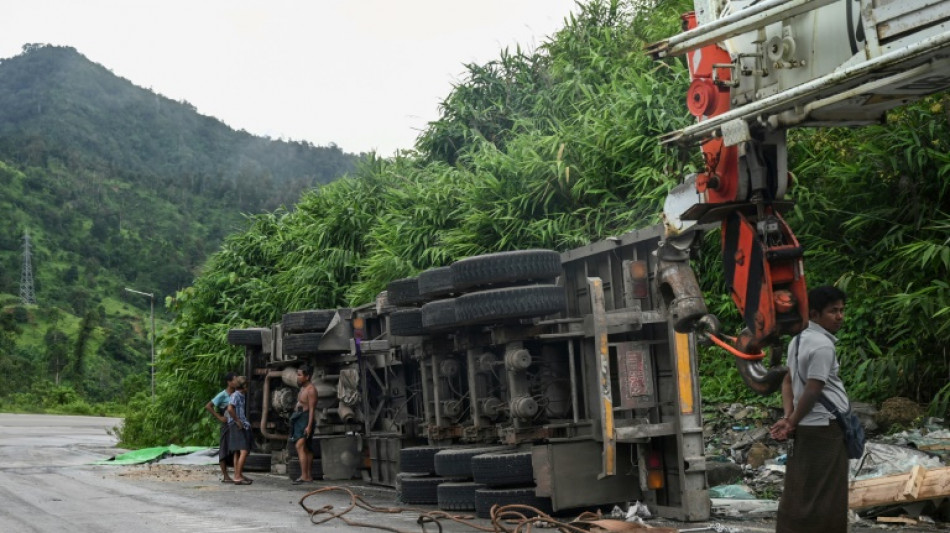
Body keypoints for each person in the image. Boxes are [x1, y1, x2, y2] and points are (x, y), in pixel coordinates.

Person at [770, 285, 849, 533]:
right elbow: (813, 389)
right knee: (828, 494)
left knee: (800, 489)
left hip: (806, 426)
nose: (839, 317)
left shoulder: (798, 340)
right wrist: (791, 421)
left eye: (841, 310)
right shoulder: (823, 346)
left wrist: (788, 417)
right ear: (814, 314)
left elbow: (787, 381)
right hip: (825, 428)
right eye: (833, 311)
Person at [204, 372, 238, 482]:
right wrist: (219, 417)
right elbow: (209, 406)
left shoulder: (237, 394)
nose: (236, 382)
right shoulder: (223, 395)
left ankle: (237, 474)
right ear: (229, 382)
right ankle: (225, 476)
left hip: (236, 424)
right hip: (227, 424)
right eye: (235, 380)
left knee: (236, 449)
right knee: (224, 449)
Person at [290, 365, 317, 484]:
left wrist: (309, 426)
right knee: (306, 448)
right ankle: (308, 476)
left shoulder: (311, 390)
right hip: (299, 418)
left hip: (306, 419)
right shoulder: (302, 388)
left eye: (300, 375)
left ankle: (304, 475)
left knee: (299, 446)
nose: (298, 377)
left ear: (307, 376)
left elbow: (312, 409)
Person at [226, 376, 253, 485]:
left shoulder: (242, 395)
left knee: (237, 451)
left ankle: (238, 474)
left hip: (241, 424)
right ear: (244, 386)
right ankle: (237, 476)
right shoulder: (236, 395)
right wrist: (237, 420)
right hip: (237, 425)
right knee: (244, 450)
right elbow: (230, 408)